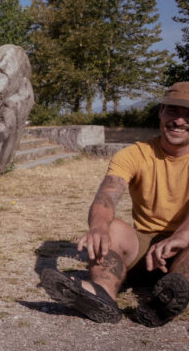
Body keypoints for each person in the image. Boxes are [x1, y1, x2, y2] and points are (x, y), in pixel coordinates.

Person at [40, 83, 189, 326]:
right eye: (173, 111)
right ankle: (102, 293)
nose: (179, 121)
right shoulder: (135, 154)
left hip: (184, 247)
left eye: (188, 115)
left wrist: (181, 237)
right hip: (144, 249)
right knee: (112, 228)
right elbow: (107, 196)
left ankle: (168, 299)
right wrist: (98, 226)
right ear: (161, 111)